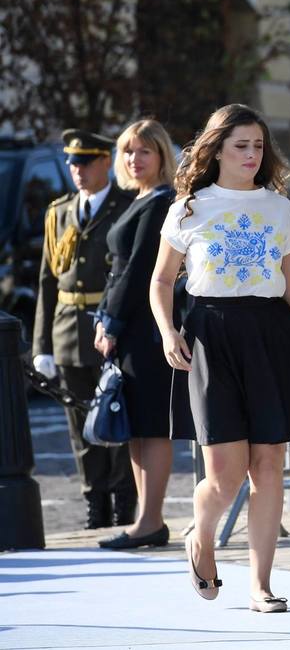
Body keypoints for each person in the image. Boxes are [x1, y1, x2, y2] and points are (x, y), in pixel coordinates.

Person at [150, 104, 290, 612]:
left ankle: (260, 585)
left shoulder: (278, 207)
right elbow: (161, 280)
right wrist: (167, 331)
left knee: (269, 465)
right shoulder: (189, 208)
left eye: (257, 146)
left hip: (269, 334)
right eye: (240, 146)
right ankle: (200, 535)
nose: (251, 155)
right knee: (225, 474)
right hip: (211, 336)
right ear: (217, 150)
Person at [32, 129, 136, 530]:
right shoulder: (59, 212)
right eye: (72, 163)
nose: (77, 170)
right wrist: (42, 344)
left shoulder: (125, 207)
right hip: (68, 332)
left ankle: (124, 502)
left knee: (118, 419)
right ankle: (95, 503)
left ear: (105, 162)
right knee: (80, 429)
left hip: (111, 330)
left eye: (86, 162)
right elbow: (47, 281)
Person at [93, 120, 179, 549]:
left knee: (152, 426)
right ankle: (147, 520)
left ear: (162, 156)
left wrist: (111, 321)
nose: (134, 158)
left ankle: (150, 520)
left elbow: (139, 270)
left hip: (147, 328)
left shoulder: (162, 202)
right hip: (128, 328)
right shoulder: (139, 199)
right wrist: (102, 318)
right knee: (136, 428)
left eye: (145, 150)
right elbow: (117, 270)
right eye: (128, 151)